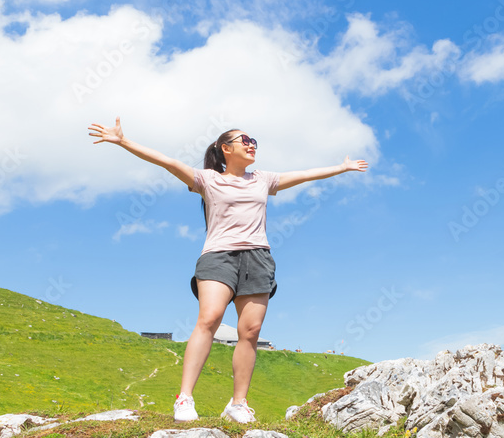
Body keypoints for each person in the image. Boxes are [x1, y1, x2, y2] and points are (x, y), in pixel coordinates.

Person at [88, 117, 368, 423]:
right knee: (208, 319)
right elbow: (166, 161)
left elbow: (301, 175)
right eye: (244, 140)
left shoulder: (262, 179)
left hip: (258, 258)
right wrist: (122, 141)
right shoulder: (207, 179)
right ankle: (184, 398)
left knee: (250, 332)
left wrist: (341, 168)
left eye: (254, 142)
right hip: (218, 256)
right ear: (225, 148)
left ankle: (237, 403)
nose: (251, 145)